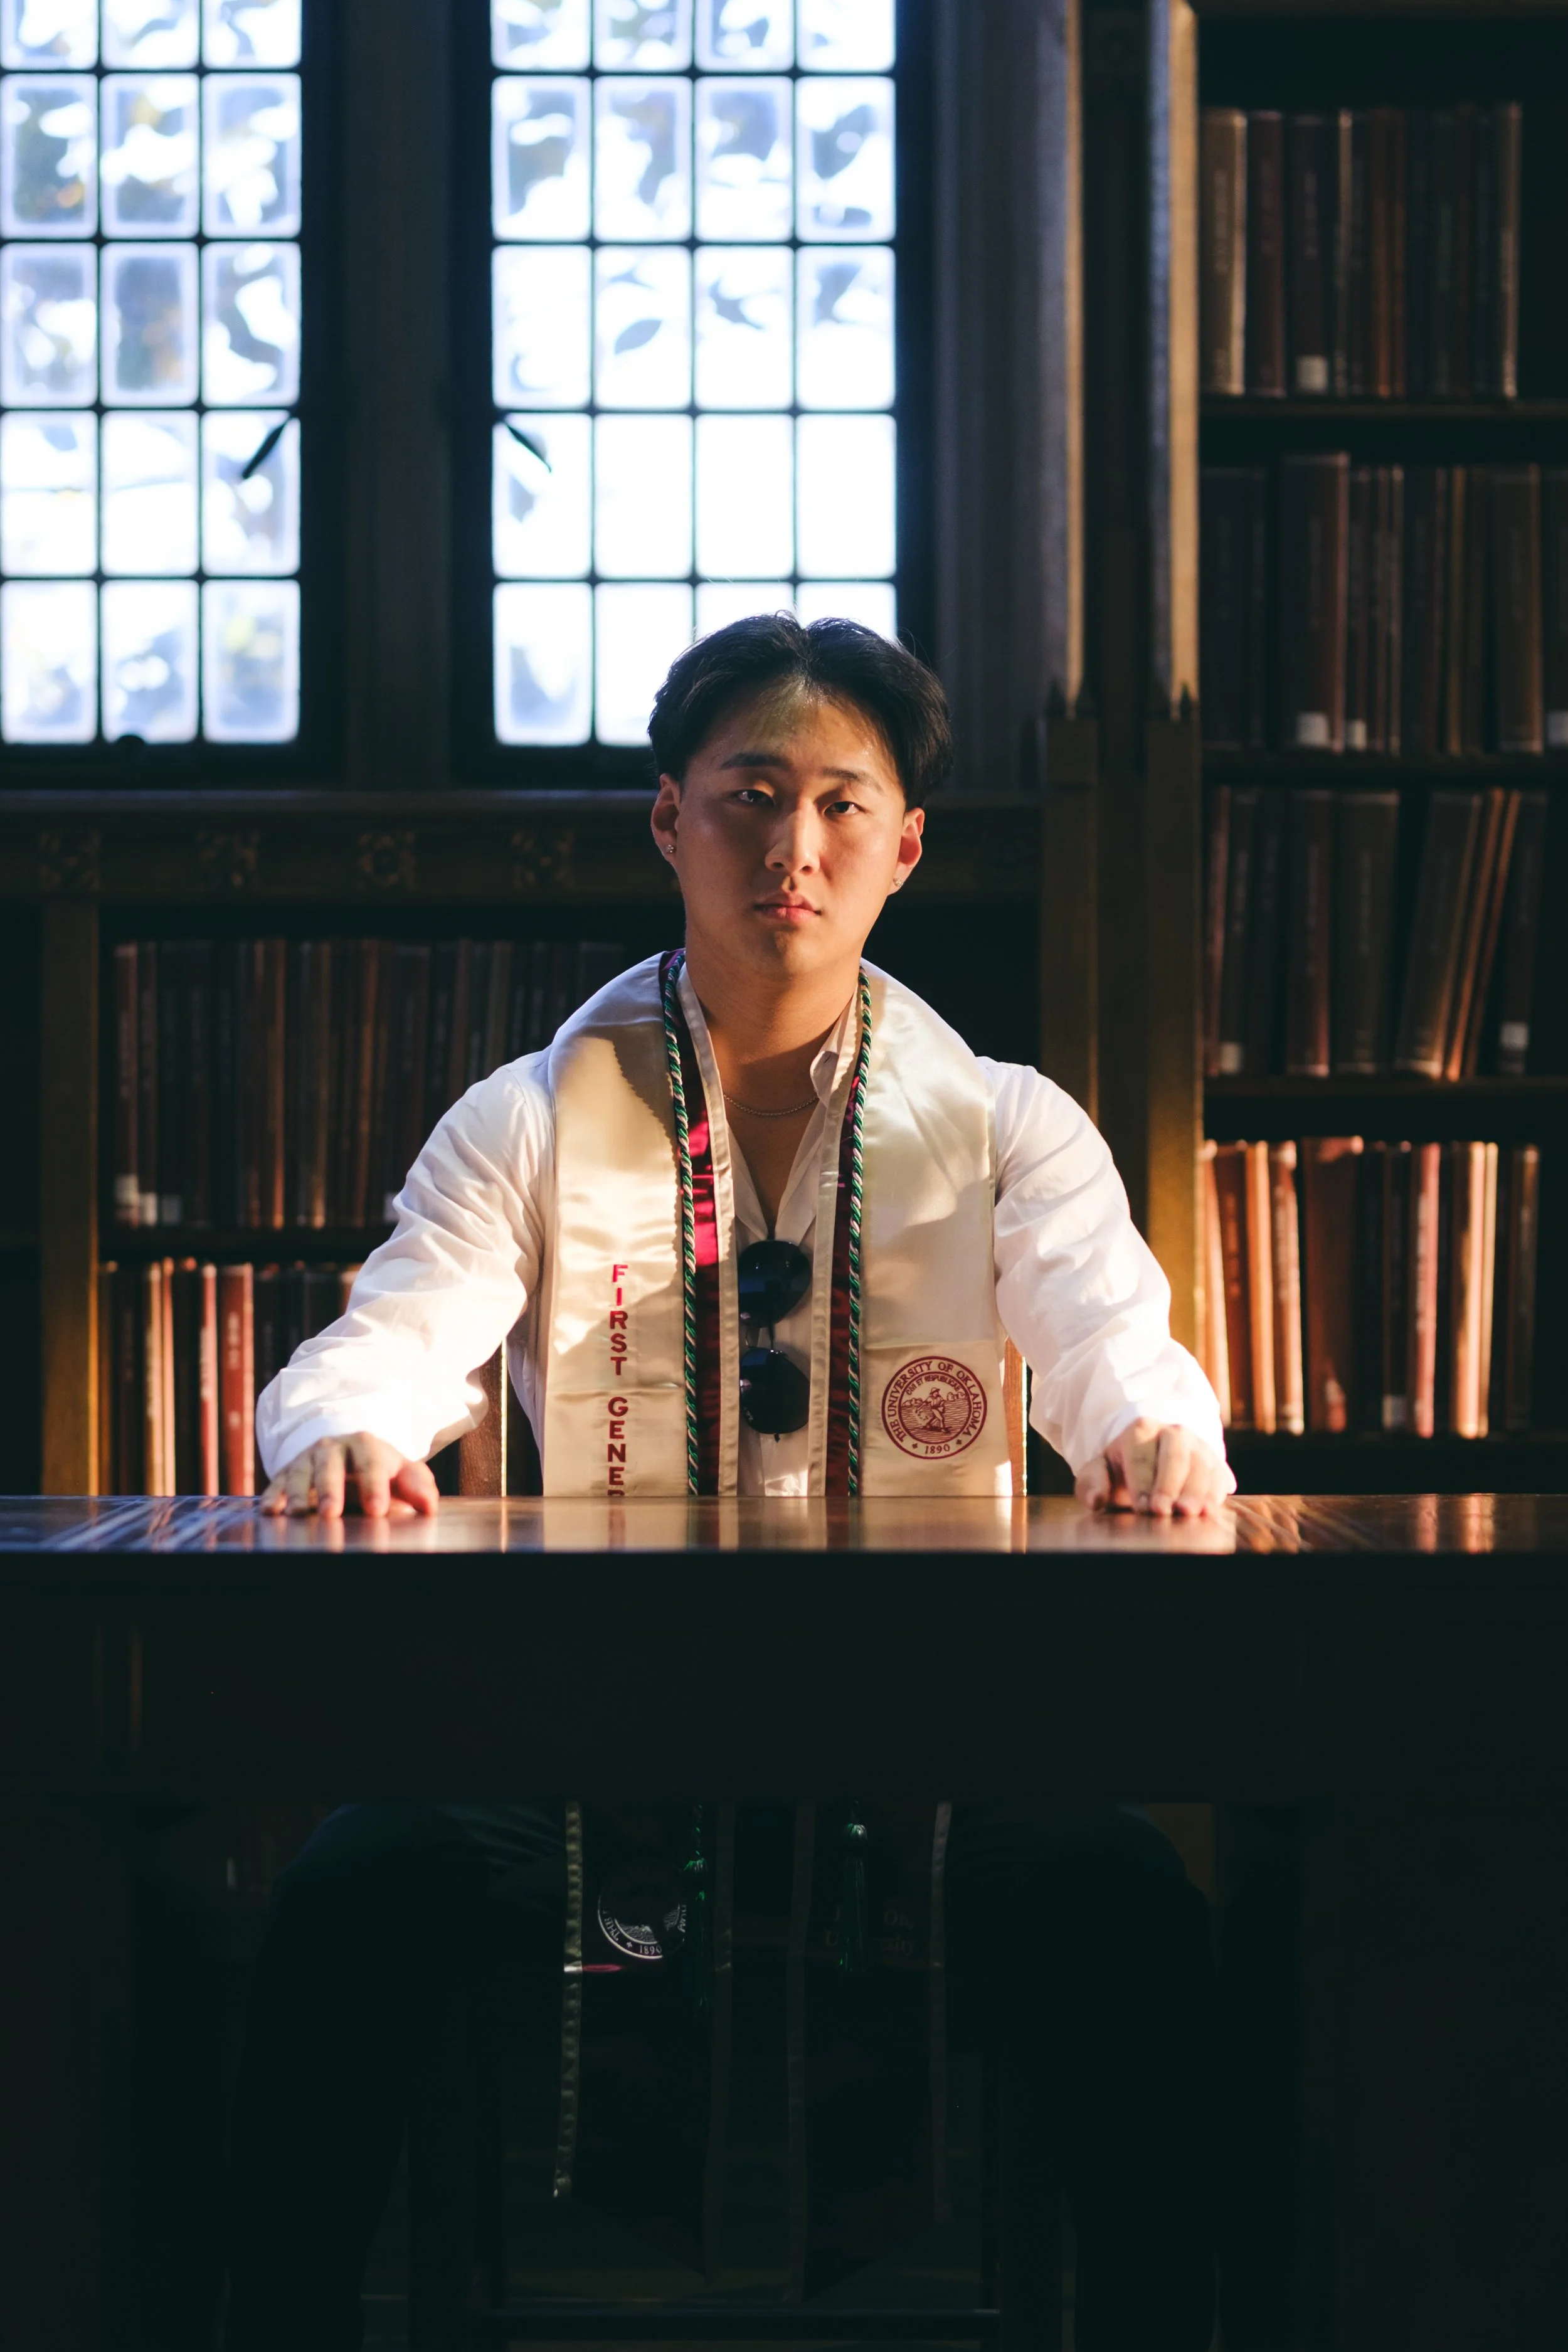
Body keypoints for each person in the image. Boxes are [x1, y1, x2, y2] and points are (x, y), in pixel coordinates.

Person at [225, 617, 1229, 2351]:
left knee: (1121, 1902)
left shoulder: (1005, 1125)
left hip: (929, 1749)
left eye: (843, 802)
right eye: (748, 795)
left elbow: (1106, 1338)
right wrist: (346, 1431)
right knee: (349, 1892)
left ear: (906, 845)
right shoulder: (529, 1120)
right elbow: (391, 1339)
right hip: (576, 1746)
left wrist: (1148, 1428)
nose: (794, 847)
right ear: (666, 821)